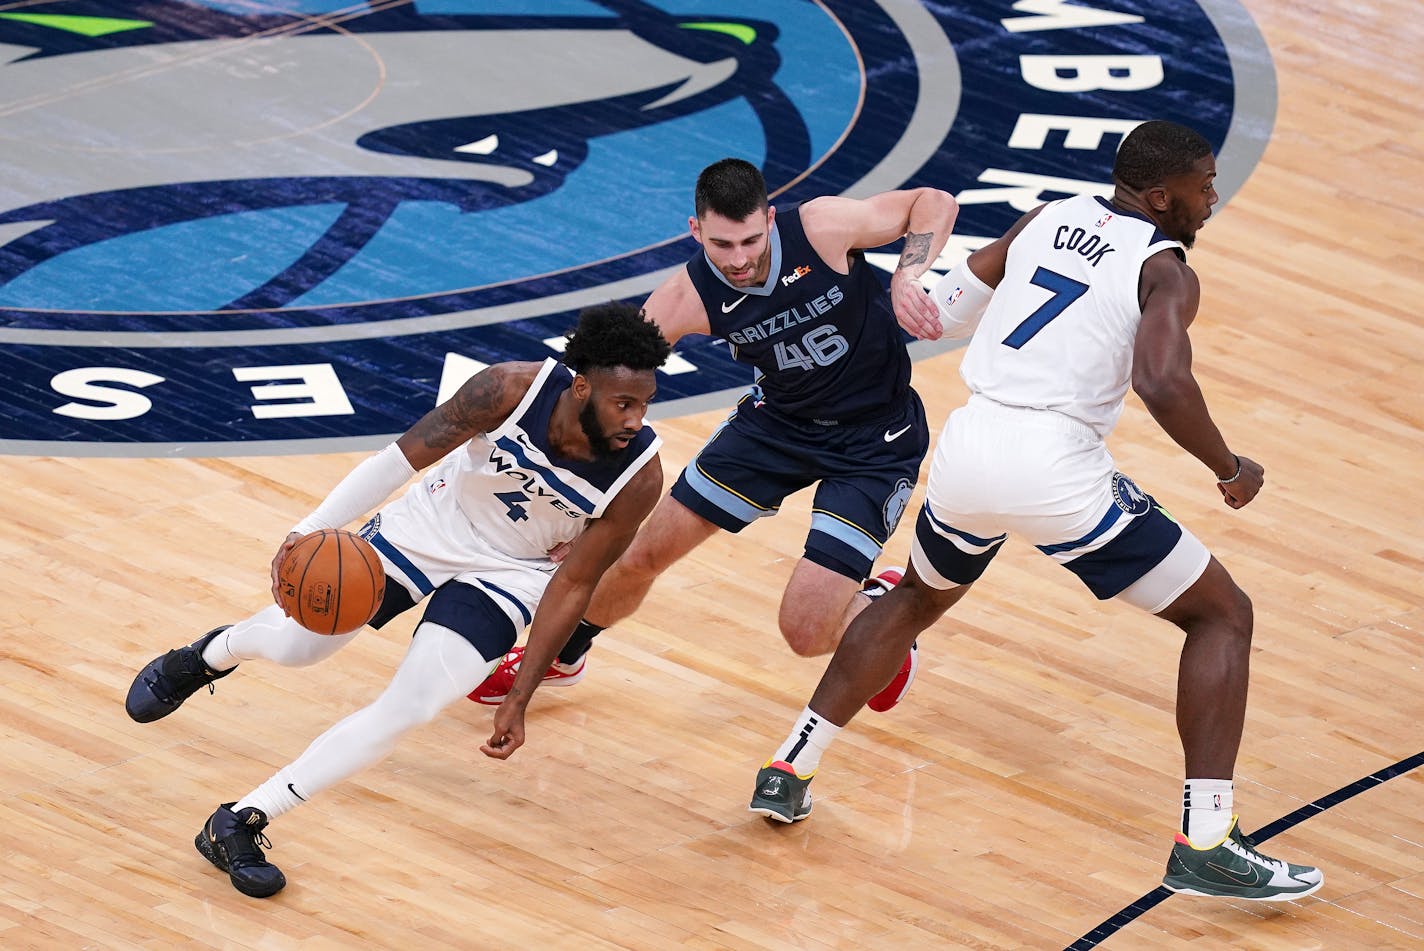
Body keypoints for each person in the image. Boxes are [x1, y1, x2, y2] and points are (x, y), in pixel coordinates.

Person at [746, 121, 1324, 902]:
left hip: (970, 443)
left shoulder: (1049, 215)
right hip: (1055, 465)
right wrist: (1228, 466)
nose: (1213, 197)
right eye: (1204, 184)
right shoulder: (1165, 269)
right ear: (1160, 197)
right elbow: (1162, 381)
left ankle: (790, 765)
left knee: (915, 596)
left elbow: (945, 309)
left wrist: (897, 290)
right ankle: (1207, 838)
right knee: (1222, 615)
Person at [124, 303, 671, 898]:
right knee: (299, 647)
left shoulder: (638, 475)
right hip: (429, 527)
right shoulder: (508, 389)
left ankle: (241, 820)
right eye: (624, 403)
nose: (635, 419)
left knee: (412, 706)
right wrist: (307, 530)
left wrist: (521, 693)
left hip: (511, 574)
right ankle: (211, 653)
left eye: (645, 404)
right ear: (582, 385)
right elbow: (401, 458)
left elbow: (572, 585)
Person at [472, 158, 959, 744]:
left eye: (752, 239)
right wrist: (574, 508)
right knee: (636, 554)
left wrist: (908, 274)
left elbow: (933, 200)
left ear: (771, 221)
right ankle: (565, 654)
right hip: (776, 427)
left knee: (804, 632)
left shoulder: (823, 228)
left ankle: (882, 608)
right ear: (696, 231)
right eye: (722, 243)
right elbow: (601, 399)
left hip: (874, 440)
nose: (739, 258)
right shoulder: (685, 298)